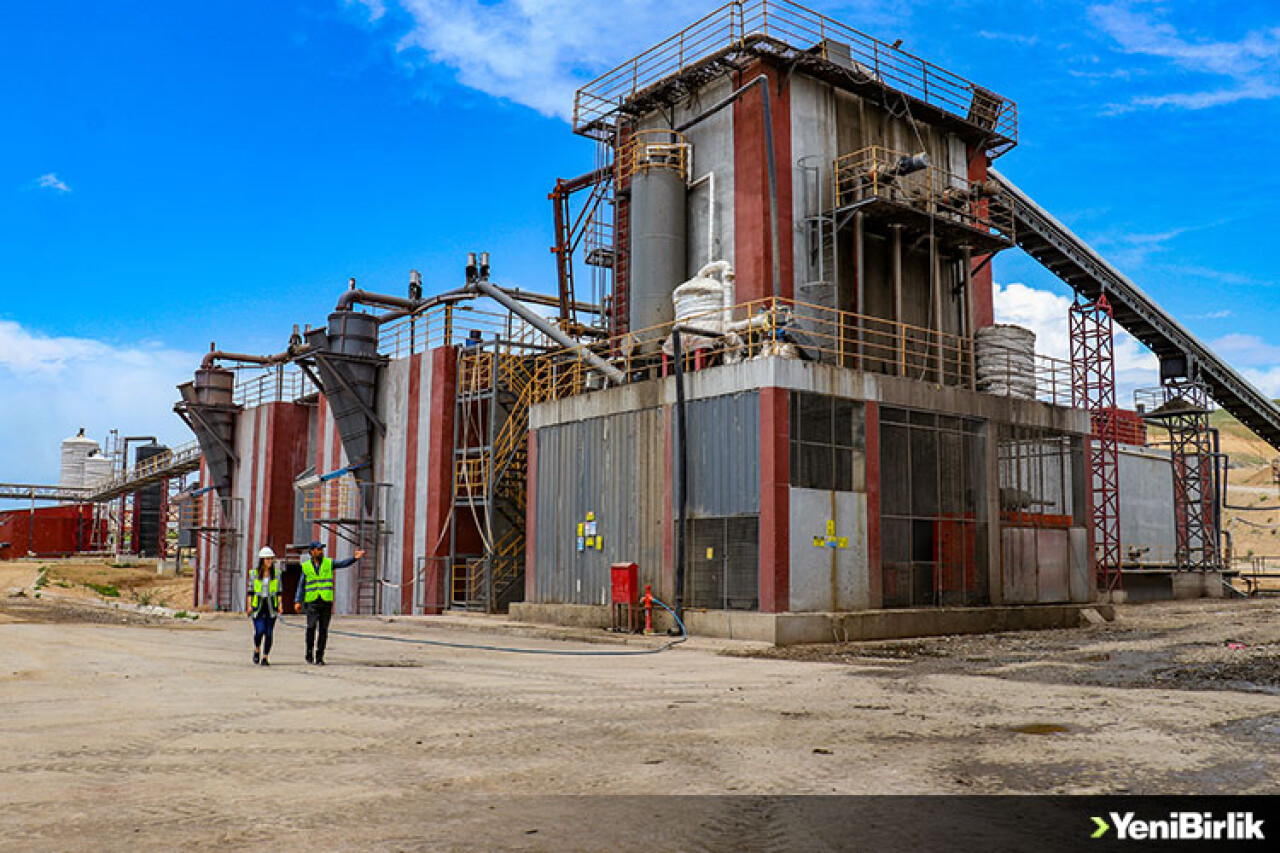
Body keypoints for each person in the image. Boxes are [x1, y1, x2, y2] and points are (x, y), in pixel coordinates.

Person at [295, 540, 365, 665]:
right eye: (318, 549)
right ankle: (309, 651)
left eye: (321, 549)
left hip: (325, 601)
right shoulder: (306, 566)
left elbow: (342, 564)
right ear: (312, 552)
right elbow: (301, 585)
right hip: (312, 601)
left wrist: (354, 558)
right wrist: (297, 601)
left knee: (323, 629)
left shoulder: (328, 563)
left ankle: (319, 656)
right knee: (311, 627)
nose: (321, 551)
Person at [247, 546, 281, 666]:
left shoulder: (277, 574)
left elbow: (279, 591)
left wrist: (280, 605)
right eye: (267, 559)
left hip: (271, 606)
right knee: (260, 630)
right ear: (262, 560)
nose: (269, 561)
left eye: (271, 559)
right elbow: (250, 591)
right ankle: (257, 648)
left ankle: (265, 657)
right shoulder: (254, 573)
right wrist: (249, 605)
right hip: (258, 606)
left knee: (269, 632)